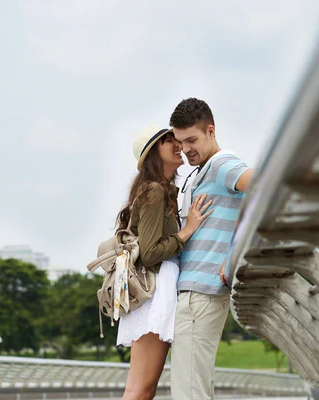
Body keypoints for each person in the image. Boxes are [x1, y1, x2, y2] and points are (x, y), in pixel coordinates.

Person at [116, 124, 213, 400]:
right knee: (141, 390)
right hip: (155, 291)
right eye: (167, 141)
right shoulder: (154, 191)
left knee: (142, 389)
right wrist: (187, 230)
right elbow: (149, 253)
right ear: (152, 154)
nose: (177, 145)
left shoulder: (162, 190)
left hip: (159, 288)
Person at [169, 98, 254, 400]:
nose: (185, 149)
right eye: (179, 143)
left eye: (191, 139)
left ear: (210, 131)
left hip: (199, 293)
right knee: (193, 387)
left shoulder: (221, 165)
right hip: (199, 293)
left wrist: (236, 256)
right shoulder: (204, 171)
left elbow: (265, 186)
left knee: (189, 391)